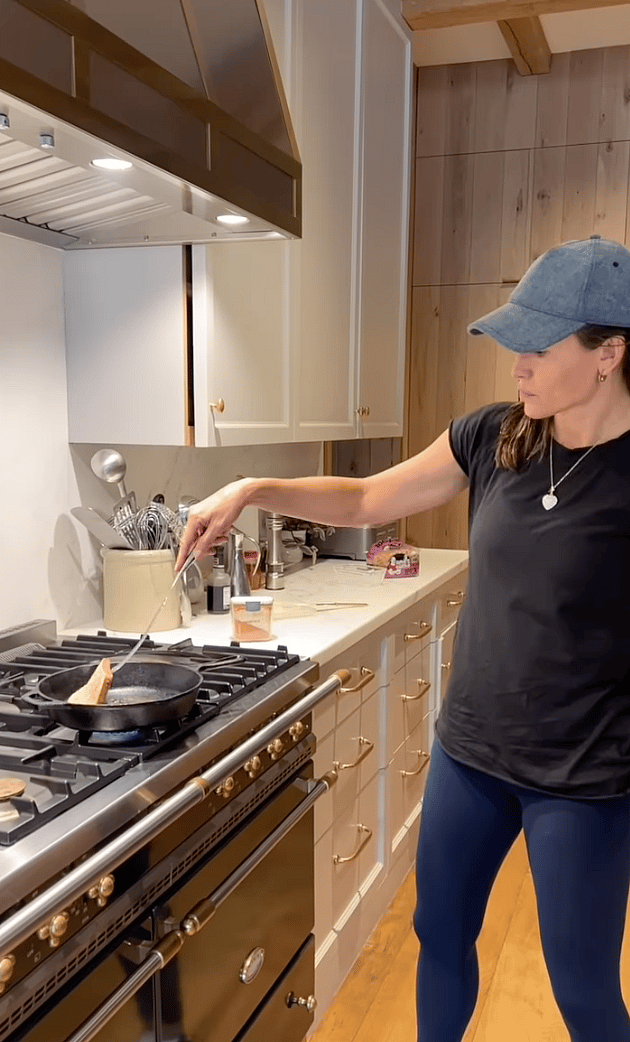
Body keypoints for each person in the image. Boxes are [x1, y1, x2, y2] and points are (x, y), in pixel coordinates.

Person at [176, 235, 630, 1042]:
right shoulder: (498, 438)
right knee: (440, 936)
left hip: (584, 779)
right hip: (471, 756)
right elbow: (363, 501)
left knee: (583, 989)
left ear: (609, 355)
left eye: (538, 344)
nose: (515, 363)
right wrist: (252, 487)